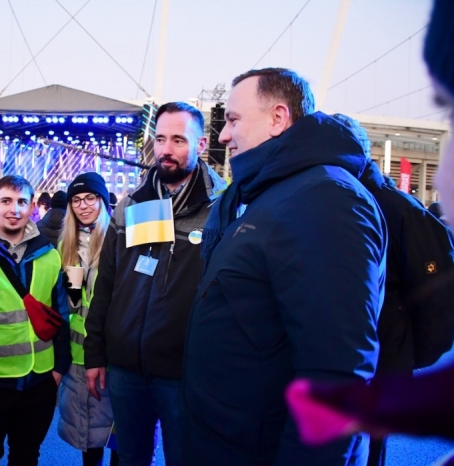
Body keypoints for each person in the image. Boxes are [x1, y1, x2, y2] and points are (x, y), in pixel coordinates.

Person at [183, 68, 386, 465]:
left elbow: (336, 374)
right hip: (227, 439)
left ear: (278, 118)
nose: (224, 135)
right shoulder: (272, 192)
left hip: (256, 448)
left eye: (235, 119)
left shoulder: (326, 201)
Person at [285, 0, 454, 450]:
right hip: (381, 338)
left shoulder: (382, 205)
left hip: (383, 337)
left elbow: (429, 274)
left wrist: (418, 348)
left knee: (364, 431)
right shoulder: (378, 200)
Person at [84, 102, 226, 466]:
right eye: (160, 139)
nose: (166, 150)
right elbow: (108, 282)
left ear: (201, 144)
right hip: (126, 368)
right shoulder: (132, 204)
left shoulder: (221, 208)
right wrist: (96, 353)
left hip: (184, 373)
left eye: (178, 140)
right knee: (131, 458)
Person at [333, 113, 454, 466]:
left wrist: (413, 354)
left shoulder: (397, 208)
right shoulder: (339, 199)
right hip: (367, 353)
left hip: (384, 356)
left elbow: (438, 293)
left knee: (367, 446)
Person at [0, 175, 71, 466]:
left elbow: (62, 316)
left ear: (32, 207)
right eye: (6, 201)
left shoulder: (49, 255)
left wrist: (59, 369)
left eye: (22, 201)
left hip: (39, 382)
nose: (14, 209)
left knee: (27, 456)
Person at [57, 173, 117, 466]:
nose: (83, 206)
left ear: (102, 201)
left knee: (120, 437)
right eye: (76, 200)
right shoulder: (67, 247)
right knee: (89, 436)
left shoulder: (118, 242)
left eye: (90, 198)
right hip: (79, 358)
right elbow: (74, 303)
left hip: (115, 356)